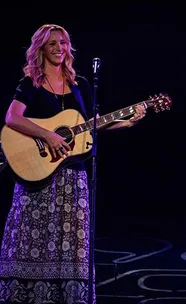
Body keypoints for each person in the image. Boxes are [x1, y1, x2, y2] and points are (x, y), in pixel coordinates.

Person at [0, 24, 146, 303]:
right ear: (40, 48)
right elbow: (12, 118)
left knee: (73, 243)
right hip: (36, 175)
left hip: (72, 176)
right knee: (31, 239)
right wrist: (48, 135)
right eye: (52, 43)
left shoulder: (81, 85)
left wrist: (128, 121)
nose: (59, 48)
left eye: (63, 43)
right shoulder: (30, 83)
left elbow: (91, 126)